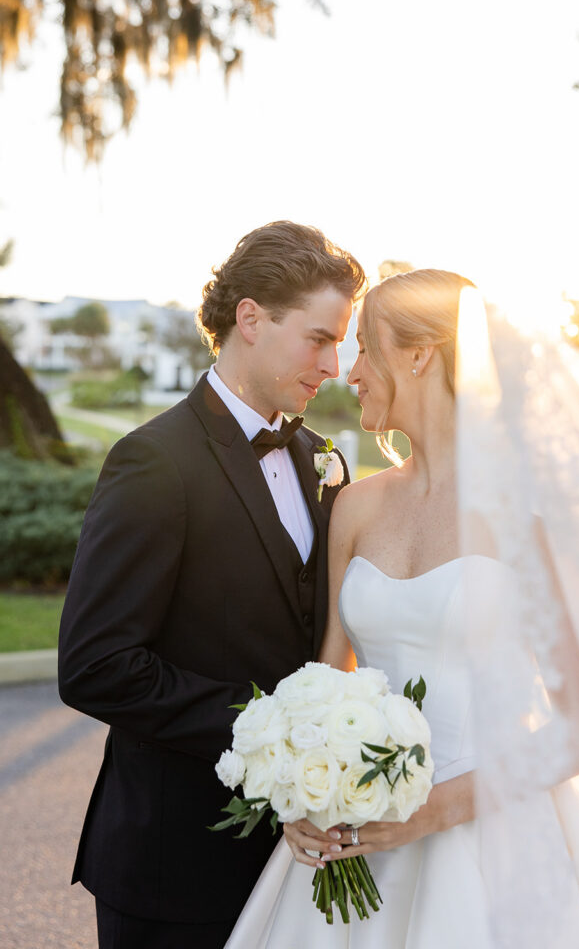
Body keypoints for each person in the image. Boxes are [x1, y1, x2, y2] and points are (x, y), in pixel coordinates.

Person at [225, 269, 579, 948]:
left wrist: (424, 815)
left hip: (496, 842)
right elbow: (328, 674)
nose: (348, 373)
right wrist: (301, 797)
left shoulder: (527, 512)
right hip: (357, 837)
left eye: (363, 349)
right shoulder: (355, 504)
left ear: (417, 354)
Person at [58, 220, 367, 949]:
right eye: (319, 338)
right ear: (250, 319)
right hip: (173, 865)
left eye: (340, 342)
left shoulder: (322, 461)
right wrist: (274, 743)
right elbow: (96, 666)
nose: (333, 362)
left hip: (298, 862)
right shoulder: (152, 461)